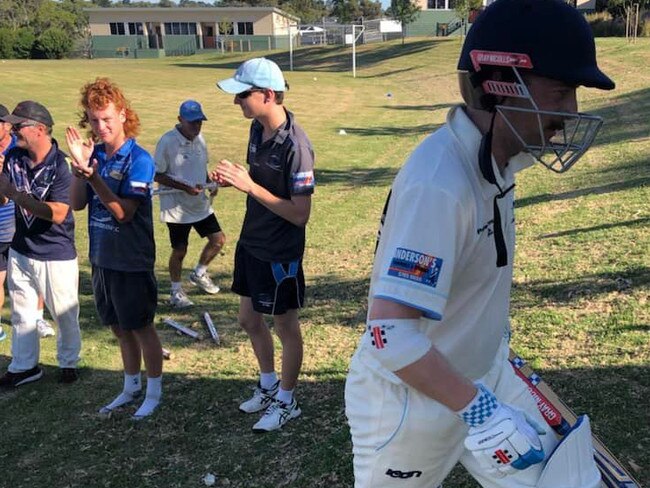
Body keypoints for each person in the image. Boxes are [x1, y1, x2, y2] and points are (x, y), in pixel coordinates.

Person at [344, 0, 615, 487]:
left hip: (485, 373)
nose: (570, 111)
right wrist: (482, 411)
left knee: (573, 481)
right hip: (411, 402)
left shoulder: (500, 159)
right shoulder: (439, 184)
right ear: (501, 86)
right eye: (561, 90)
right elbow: (389, 334)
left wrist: (491, 359)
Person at [213, 58, 315, 432]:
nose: (236, 102)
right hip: (251, 242)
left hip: (279, 252)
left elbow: (300, 214)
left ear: (268, 95)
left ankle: (287, 402)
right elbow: (259, 182)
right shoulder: (257, 130)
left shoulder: (297, 147)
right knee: (247, 318)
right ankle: (269, 386)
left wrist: (249, 186)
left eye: (243, 95)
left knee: (285, 325)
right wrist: (234, 180)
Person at [66, 78, 163, 419]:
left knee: (140, 325)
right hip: (102, 257)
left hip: (131, 258)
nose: (101, 126)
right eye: (93, 120)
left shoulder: (139, 158)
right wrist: (80, 169)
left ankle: (154, 390)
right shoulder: (96, 157)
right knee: (119, 326)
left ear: (122, 114)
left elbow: (125, 213)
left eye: (107, 118)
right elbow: (77, 205)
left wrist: (94, 177)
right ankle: (130, 385)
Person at [0, 101, 81, 387]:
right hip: (21, 248)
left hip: (55, 252)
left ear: (40, 129)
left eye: (19, 125)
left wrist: (17, 195)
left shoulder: (61, 166)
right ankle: (24, 366)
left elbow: (58, 213)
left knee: (64, 313)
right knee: (21, 311)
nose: (12, 130)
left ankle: (69, 362)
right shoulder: (13, 156)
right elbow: (4, 196)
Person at [154, 100, 225, 309]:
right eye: (192, 122)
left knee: (218, 240)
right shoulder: (167, 142)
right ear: (180, 120)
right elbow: (157, 173)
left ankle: (200, 273)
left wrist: (209, 182)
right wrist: (183, 186)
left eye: (200, 122)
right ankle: (176, 291)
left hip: (199, 204)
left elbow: (201, 166)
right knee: (180, 250)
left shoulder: (200, 139)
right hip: (177, 208)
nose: (197, 126)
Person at [0, 104, 55, 343]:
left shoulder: (19, 148)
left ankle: (39, 317)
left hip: (22, 223)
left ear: (6, 125)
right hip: (5, 224)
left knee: (35, 273)